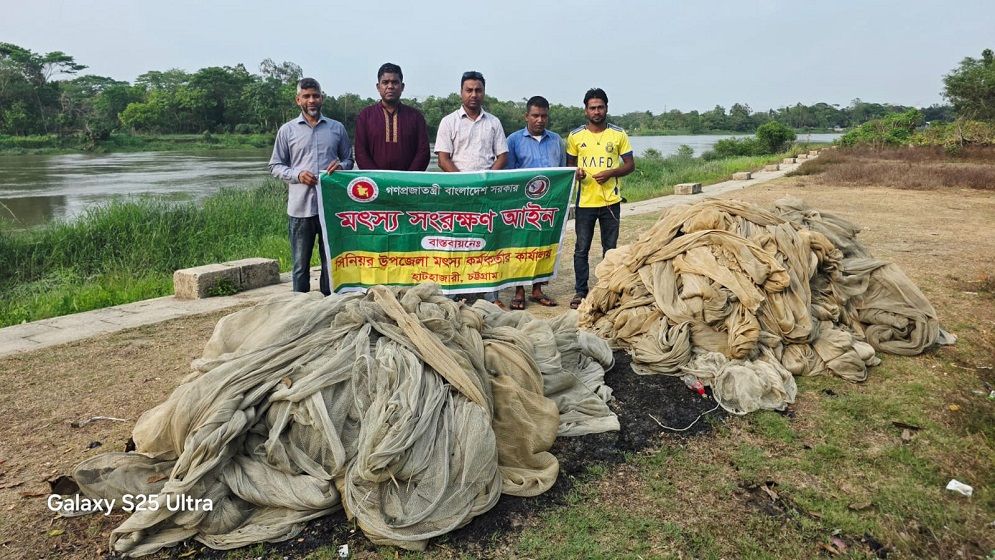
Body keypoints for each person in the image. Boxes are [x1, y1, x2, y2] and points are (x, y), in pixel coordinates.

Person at [268, 77, 354, 295]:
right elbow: (275, 165)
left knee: (330, 264)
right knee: (299, 266)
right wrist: (297, 175)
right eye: (306, 96)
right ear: (298, 100)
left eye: (315, 95)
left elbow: (349, 160)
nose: (311, 100)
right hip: (300, 209)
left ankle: (328, 307)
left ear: (322, 98)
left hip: (330, 209)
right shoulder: (287, 131)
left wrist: (341, 168)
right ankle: (300, 309)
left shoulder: (337, 128)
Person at [435, 70, 509, 306]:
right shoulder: (449, 122)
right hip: (457, 195)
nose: (473, 95)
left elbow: (502, 155)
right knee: (456, 243)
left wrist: (485, 182)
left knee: (487, 242)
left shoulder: (494, 122)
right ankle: (455, 293)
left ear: (484, 92)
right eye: (469, 90)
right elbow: (443, 159)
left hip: (486, 196)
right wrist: (465, 185)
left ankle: (489, 295)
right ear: (461, 92)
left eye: (478, 90)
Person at [566, 88, 635, 309]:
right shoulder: (575, 136)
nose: (596, 111)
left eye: (600, 107)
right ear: (585, 110)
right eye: (592, 107)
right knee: (581, 248)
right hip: (585, 202)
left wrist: (611, 173)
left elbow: (629, 165)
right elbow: (569, 167)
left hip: (610, 202)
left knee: (610, 248)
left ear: (606, 107)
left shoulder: (618, 134)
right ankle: (580, 291)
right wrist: (576, 173)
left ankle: (608, 288)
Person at [505, 95, 565, 310]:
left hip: (549, 205)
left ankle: (537, 289)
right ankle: (519, 291)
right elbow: (509, 174)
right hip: (523, 206)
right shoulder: (513, 140)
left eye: (544, 116)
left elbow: (562, 171)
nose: (540, 120)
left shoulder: (557, 140)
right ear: (526, 116)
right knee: (521, 247)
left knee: (545, 246)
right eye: (535, 115)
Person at [354, 62, 430, 171]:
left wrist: (408, 178)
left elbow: (423, 152)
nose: (390, 86)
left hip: (407, 184)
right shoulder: (365, 116)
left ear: (402, 86)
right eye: (385, 82)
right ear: (378, 87)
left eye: (395, 82)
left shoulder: (415, 117)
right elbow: (360, 152)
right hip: (376, 183)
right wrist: (377, 178)